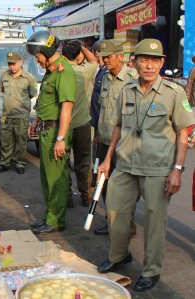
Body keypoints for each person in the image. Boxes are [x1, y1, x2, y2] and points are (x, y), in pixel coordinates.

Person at [96, 39, 195, 292]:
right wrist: (108, 159)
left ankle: (151, 270)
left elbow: (183, 133)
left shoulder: (175, 93)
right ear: (134, 62)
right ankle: (119, 256)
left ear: (161, 63)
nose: (149, 65)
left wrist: (178, 170)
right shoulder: (126, 90)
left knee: (154, 222)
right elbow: (118, 125)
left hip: (158, 169)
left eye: (154, 60)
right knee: (115, 214)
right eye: (144, 59)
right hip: (125, 166)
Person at [26, 31, 76, 234]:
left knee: (57, 179)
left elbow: (66, 107)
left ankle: (56, 221)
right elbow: (46, 101)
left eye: (37, 55)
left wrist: (61, 139)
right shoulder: (52, 71)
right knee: (47, 178)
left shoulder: (64, 71)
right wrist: (36, 120)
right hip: (47, 129)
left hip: (57, 132)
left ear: (46, 51)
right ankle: (50, 216)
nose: (36, 60)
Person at [93, 40, 139, 236]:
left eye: (109, 57)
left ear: (121, 56)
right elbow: (102, 109)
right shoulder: (104, 77)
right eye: (103, 57)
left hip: (124, 143)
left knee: (124, 188)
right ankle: (111, 220)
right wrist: (97, 133)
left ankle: (126, 223)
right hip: (103, 140)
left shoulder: (133, 77)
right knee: (104, 184)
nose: (105, 61)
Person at [62, 40, 98, 208]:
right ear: (78, 56)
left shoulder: (59, 72)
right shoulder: (83, 71)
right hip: (83, 123)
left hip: (64, 125)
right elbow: (94, 61)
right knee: (84, 162)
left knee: (63, 162)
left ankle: (67, 196)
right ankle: (85, 195)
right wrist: (81, 46)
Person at [0, 52, 39, 175]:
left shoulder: (29, 78)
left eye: (13, 64)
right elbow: (2, 91)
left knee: (21, 141)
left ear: (20, 62)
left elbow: (33, 94)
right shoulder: (4, 76)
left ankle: (19, 163)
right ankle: (4, 163)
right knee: (5, 141)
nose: (11, 67)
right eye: (9, 64)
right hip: (6, 115)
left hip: (21, 115)